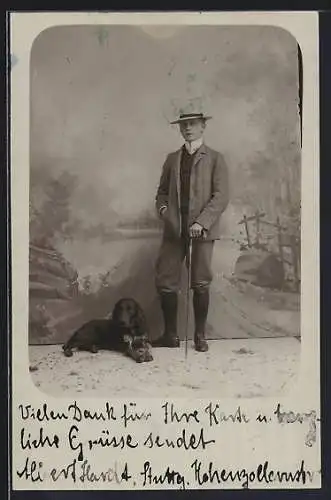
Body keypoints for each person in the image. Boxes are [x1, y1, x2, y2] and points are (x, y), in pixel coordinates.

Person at [153, 105, 229, 352]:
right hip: (175, 230)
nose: (188, 128)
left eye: (193, 123)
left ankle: (199, 336)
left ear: (203, 126)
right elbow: (162, 193)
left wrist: (201, 222)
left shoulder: (216, 158)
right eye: (184, 124)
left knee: (200, 282)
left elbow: (221, 196)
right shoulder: (172, 159)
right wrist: (165, 212)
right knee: (166, 280)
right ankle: (170, 336)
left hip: (202, 232)